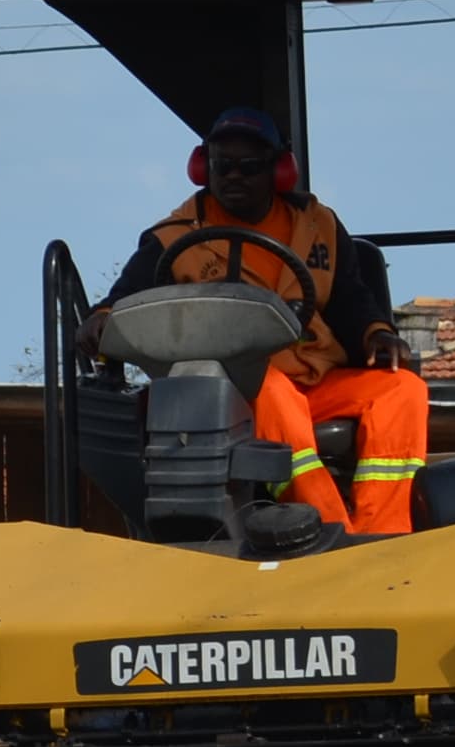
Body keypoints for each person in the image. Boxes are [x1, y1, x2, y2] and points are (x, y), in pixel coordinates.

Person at [99, 106, 427, 538]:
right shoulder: (173, 237)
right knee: (270, 389)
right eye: (223, 166)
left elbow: (350, 298)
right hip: (235, 388)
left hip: (316, 376)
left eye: (249, 167)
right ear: (203, 168)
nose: (234, 176)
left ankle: (383, 536)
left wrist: (377, 332)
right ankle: (329, 531)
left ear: (279, 170)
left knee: (403, 389)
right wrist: (101, 321)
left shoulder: (320, 227)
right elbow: (121, 302)